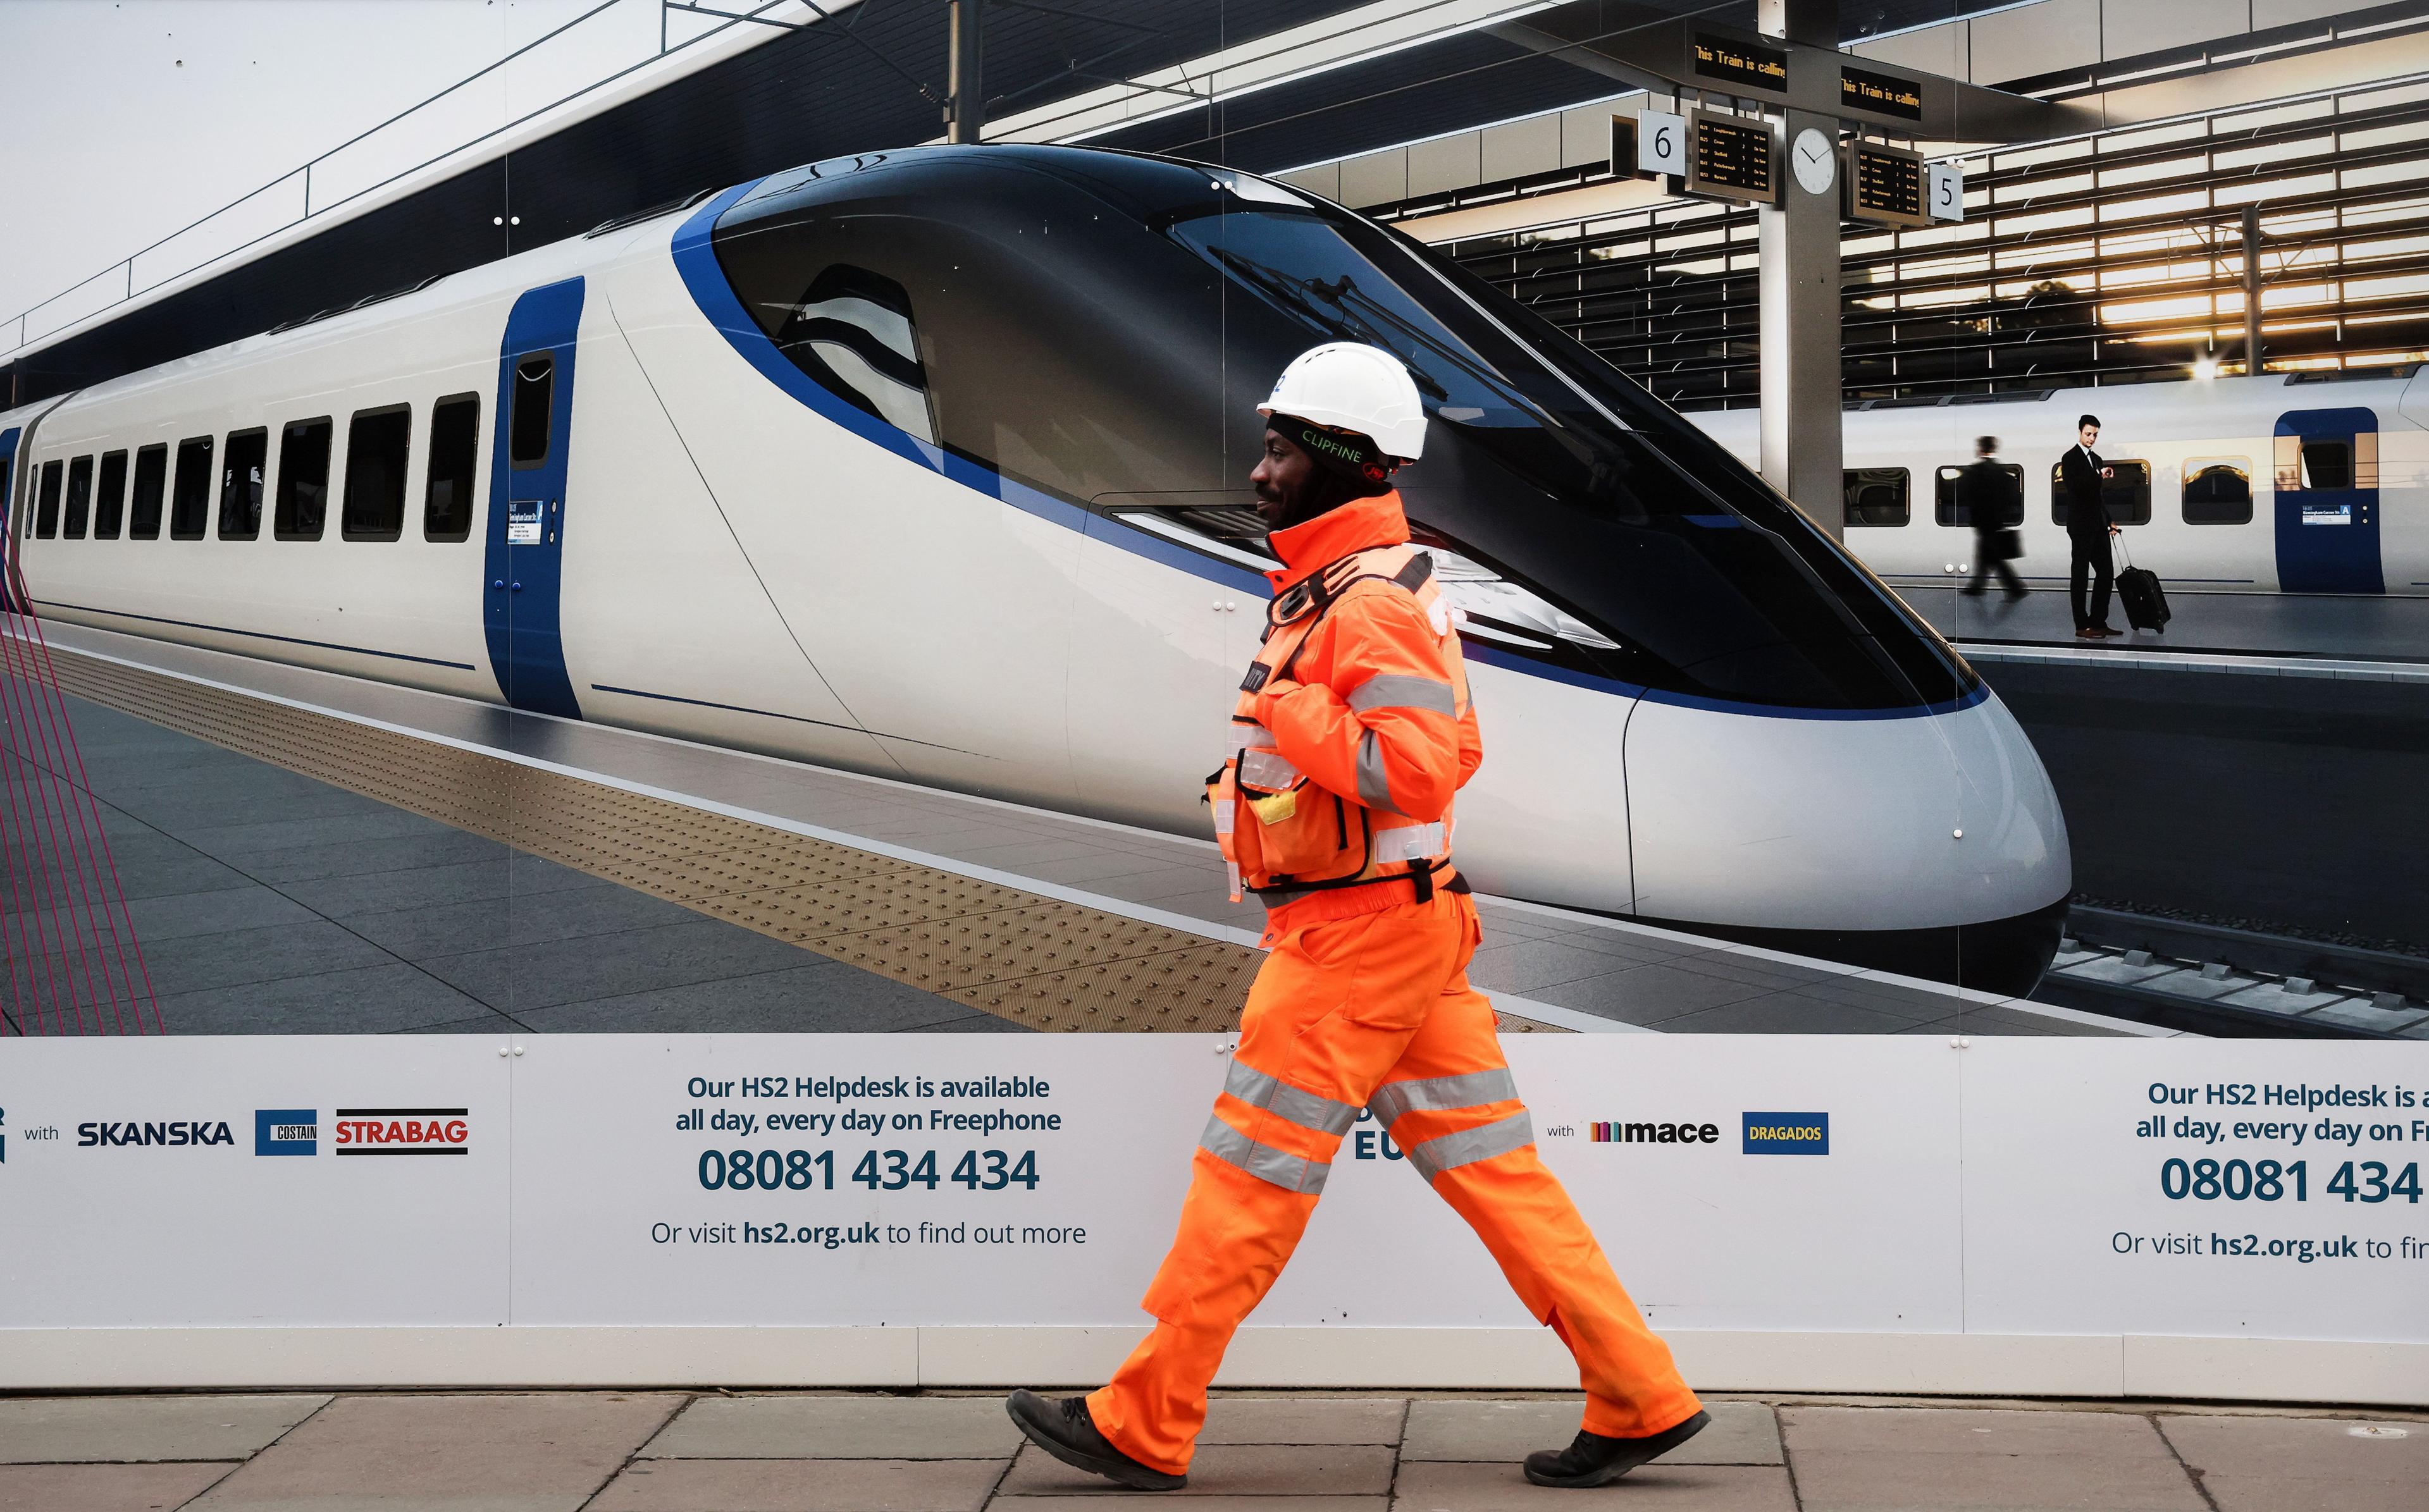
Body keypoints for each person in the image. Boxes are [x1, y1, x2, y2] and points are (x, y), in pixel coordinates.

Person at [1005, 343, 1707, 1492]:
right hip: (1404, 931)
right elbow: (1462, 744)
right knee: (1498, 1172)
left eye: (1280, 447)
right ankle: (1639, 1389)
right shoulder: (1376, 588)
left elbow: (1421, 770)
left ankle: (1143, 1418)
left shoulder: (1366, 603)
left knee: (1249, 1171)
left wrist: (1289, 699)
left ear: (1338, 461)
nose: (1261, 467)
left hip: (1352, 940)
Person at [2059, 414, 2120, 639]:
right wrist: (2099, 474)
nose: (2092, 438)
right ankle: (2082, 625)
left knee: (2106, 573)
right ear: (2079, 432)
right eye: (2088, 434)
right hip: (2081, 527)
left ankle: (2098, 621)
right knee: (2080, 576)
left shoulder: (2096, 459)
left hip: (2097, 525)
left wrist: (2109, 520)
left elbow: (2097, 496)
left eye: (2095, 435)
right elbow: (2077, 488)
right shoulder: (2070, 458)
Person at [1959, 436, 2026, 602]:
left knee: (1992, 555)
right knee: (1987, 553)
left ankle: (2014, 589)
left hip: (1983, 520)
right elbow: (2010, 495)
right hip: (1996, 520)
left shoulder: (1976, 471)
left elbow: (1967, 494)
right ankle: (1978, 586)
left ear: (1981, 449)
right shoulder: (2001, 472)